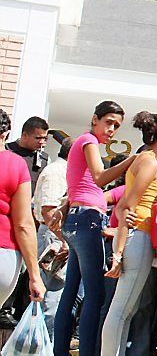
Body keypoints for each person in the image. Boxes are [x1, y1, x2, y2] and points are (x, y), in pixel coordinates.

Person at [54, 101, 136, 356]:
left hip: (80, 219)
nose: (112, 129)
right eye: (109, 122)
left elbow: (84, 185)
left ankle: (61, 350)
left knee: (72, 290)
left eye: (117, 126)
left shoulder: (84, 143)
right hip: (87, 219)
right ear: (95, 119)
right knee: (95, 295)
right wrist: (131, 161)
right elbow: (100, 177)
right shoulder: (88, 140)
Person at [101, 113, 157, 356]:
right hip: (138, 237)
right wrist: (118, 254)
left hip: (139, 237)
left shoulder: (146, 159)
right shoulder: (149, 162)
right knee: (121, 311)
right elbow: (126, 206)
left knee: (125, 311)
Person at [0, 108, 45, 308]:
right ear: (5, 134)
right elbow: (23, 224)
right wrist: (34, 275)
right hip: (4, 255)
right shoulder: (16, 165)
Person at [33, 133, 72, 338]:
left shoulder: (61, 171)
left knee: (54, 294)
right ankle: (42, 344)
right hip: (53, 237)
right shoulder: (57, 172)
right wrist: (64, 241)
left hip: (56, 235)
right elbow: (49, 213)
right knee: (51, 295)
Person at [5, 116, 50, 191]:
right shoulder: (5, 150)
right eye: (38, 138)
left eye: (45, 138)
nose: (42, 142)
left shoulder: (44, 159)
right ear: (25, 135)